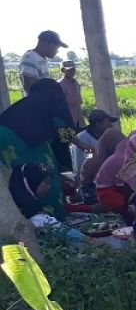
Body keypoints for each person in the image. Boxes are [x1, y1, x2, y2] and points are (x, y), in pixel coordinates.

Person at [0, 79, 88, 213]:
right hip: (22, 139)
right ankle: (52, 217)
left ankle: (29, 214)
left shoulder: (28, 103)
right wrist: (82, 144)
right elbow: (63, 130)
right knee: (43, 174)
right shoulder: (53, 97)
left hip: (5, 136)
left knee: (23, 177)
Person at [94, 131, 136, 220]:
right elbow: (126, 188)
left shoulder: (133, 155)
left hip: (121, 188)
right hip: (109, 190)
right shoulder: (123, 160)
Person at [19, 31, 66, 95]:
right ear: (45, 43)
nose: (57, 51)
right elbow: (30, 88)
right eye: (56, 47)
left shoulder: (41, 59)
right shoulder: (30, 58)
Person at [72, 109, 117, 175]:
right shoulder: (83, 137)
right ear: (98, 124)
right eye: (108, 122)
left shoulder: (104, 136)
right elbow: (87, 161)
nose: (111, 125)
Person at [58, 60, 83, 129]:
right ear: (63, 70)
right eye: (69, 70)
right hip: (68, 118)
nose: (72, 71)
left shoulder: (76, 83)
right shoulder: (60, 85)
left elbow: (79, 102)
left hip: (79, 118)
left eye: (73, 69)